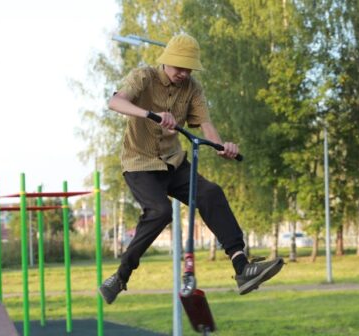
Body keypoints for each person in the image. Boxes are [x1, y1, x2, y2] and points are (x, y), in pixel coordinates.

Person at [99, 33, 284, 304]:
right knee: (160, 212)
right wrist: (151, 114)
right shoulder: (144, 77)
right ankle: (120, 275)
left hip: (173, 162)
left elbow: (207, 126)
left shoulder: (193, 88)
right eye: (179, 67)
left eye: (188, 68)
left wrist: (222, 147)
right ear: (166, 62)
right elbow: (115, 102)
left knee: (211, 193)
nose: (183, 73)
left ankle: (242, 267)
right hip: (140, 164)